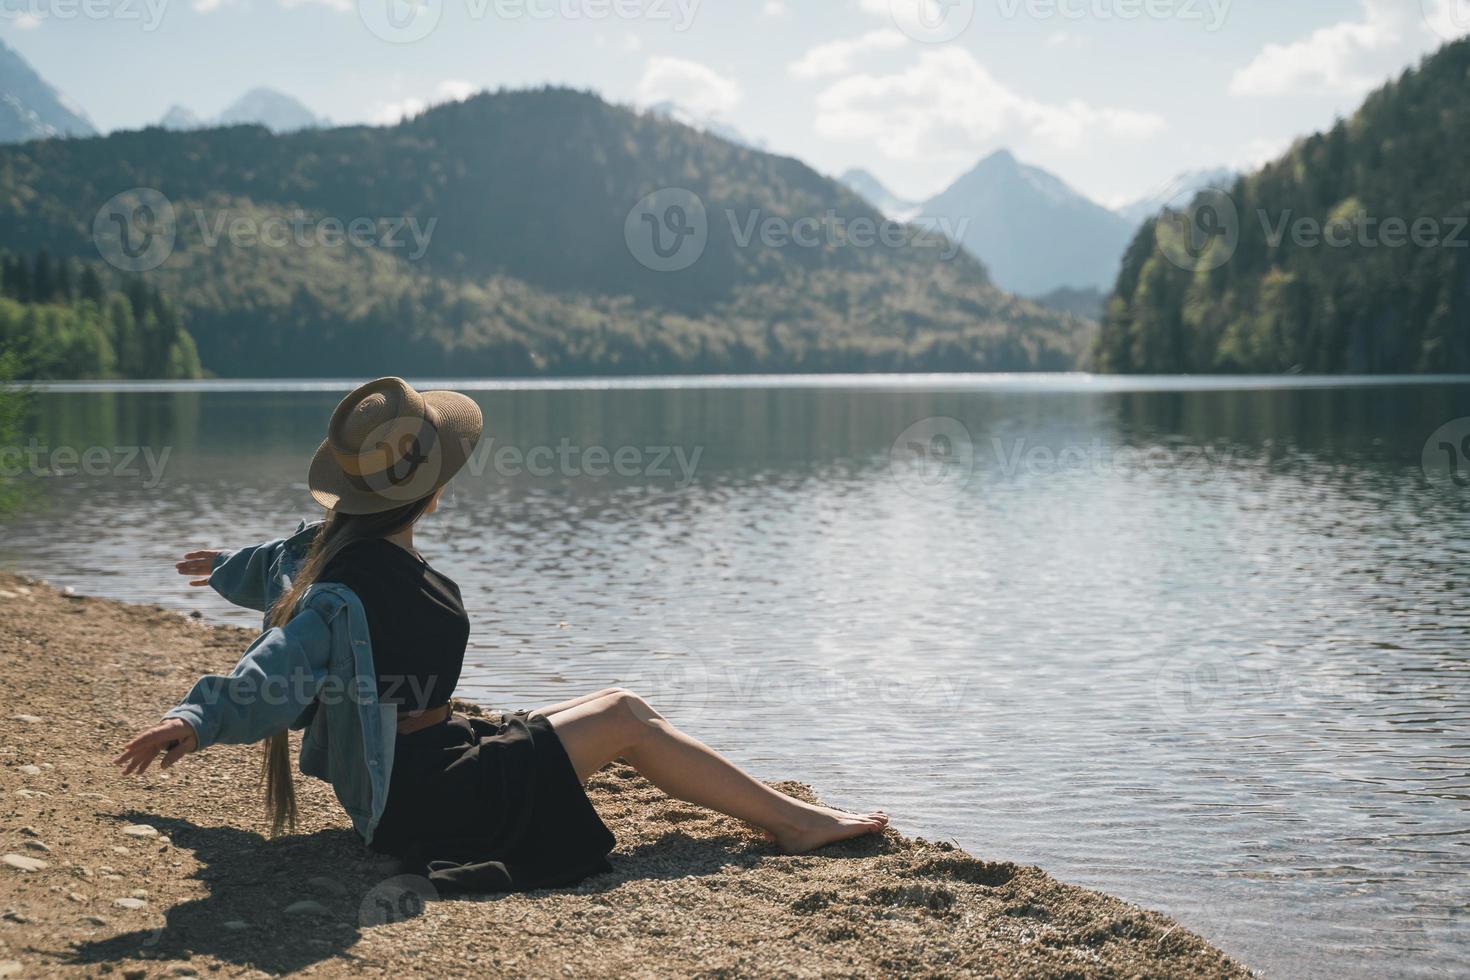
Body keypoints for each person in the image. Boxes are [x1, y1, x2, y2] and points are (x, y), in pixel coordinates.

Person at [114, 377, 887, 892]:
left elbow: (270, 569)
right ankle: (796, 824)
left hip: (438, 760)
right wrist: (197, 718)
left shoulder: (328, 549)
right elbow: (273, 665)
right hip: (425, 800)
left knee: (618, 703)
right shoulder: (342, 590)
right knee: (622, 717)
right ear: (430, 488)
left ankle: (790, 818)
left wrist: (220, 568)